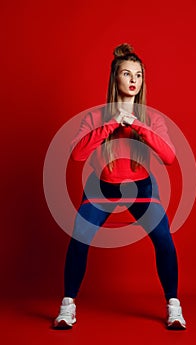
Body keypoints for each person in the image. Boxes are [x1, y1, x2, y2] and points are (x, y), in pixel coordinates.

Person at [53, 43, 186, 330]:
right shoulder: (95, 118)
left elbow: (170, 157)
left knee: (164, 241)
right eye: (127, 73)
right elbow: (77, 155)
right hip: (103, 187)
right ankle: (67, 307)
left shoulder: (153, 119)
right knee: (79, 238)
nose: (133, 79)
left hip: (141, 189)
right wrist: (112, 124)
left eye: (138, 74)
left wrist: (138, 126)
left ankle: (174, 306)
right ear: (115, 78)